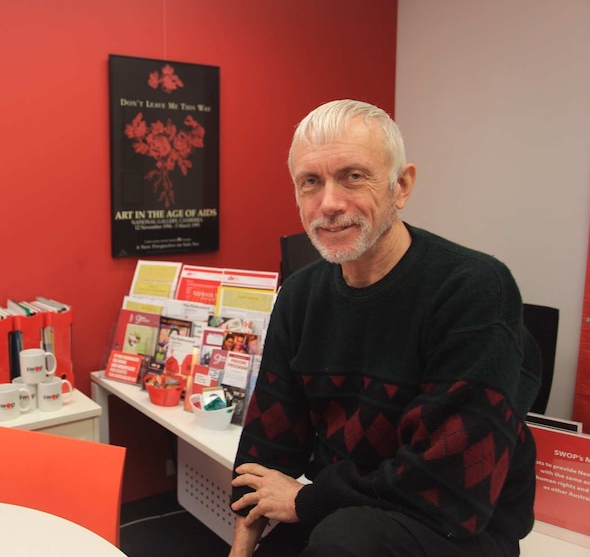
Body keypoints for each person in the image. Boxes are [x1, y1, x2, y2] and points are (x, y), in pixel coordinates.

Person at [228, 100, 540, 557]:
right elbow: (264, 450)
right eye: (310, 182)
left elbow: (449, 488)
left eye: (353, 176)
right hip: (350, 506)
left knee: (343, 542)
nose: (329, 204)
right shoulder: (299, 297)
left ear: (401, 186)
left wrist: (309, 500)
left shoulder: (472, 290)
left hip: (456, 525)